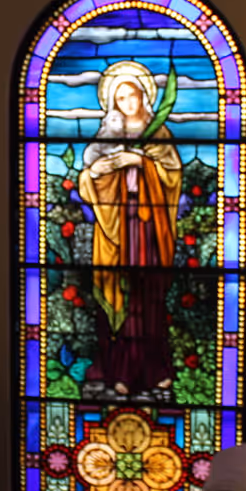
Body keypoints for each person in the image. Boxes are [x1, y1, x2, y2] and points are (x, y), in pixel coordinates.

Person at [78, 60, 182, 396]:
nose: (127, 103)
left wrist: (141, 161)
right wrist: (97, 172)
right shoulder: (108, 136)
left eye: (132, 95)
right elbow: (87, 179)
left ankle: (155, 370)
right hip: (119, 226)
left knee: (148, 294)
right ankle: (119, 370)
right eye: (119, 98)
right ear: (112, 104)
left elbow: (173, 176)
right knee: (123, 291)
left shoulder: (160, 133)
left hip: (150, 225)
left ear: (143, 96)